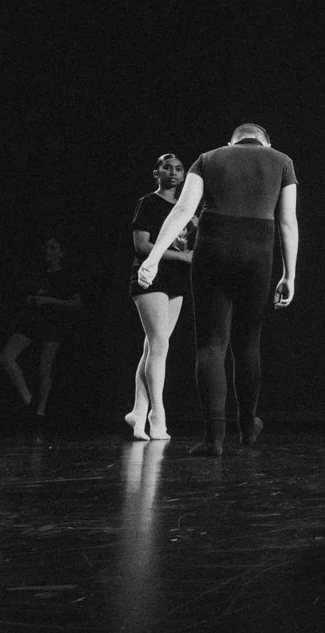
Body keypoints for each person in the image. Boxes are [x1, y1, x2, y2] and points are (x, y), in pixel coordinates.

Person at [138, 124, 300, 456]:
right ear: (266, 142)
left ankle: (213, 438)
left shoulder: (208, 158)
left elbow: (183, 210)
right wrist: (290, 274)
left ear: (231, 142)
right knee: (248, 342)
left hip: (213, 250)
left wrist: (153, 259)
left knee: (211, 345)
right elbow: (288, 221)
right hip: (257, 253)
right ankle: (247, 427)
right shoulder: (282, 161)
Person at [127, 154, 194, 441]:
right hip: (150, 278)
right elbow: (142, 246)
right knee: (159, 345)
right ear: (157, 173)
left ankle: (138, 411)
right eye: (167, 167)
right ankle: (158, 415)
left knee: (153, 347)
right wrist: (183, 257)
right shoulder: (148, 203)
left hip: (176, 281)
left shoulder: (186, 208)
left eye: (179, 168)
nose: (174, 172)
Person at [0, 236, 83, 423]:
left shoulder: (66, 276)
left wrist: (50, 301)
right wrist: (32, 299)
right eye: (47, 247)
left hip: (53, 323)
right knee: (6, 356)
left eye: (53, 248)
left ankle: (40, 412)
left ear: (61, 253)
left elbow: (76, 303)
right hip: (33, 320)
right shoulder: (38, 273)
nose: (48, 251)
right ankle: (27, 397)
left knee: (45, 367)